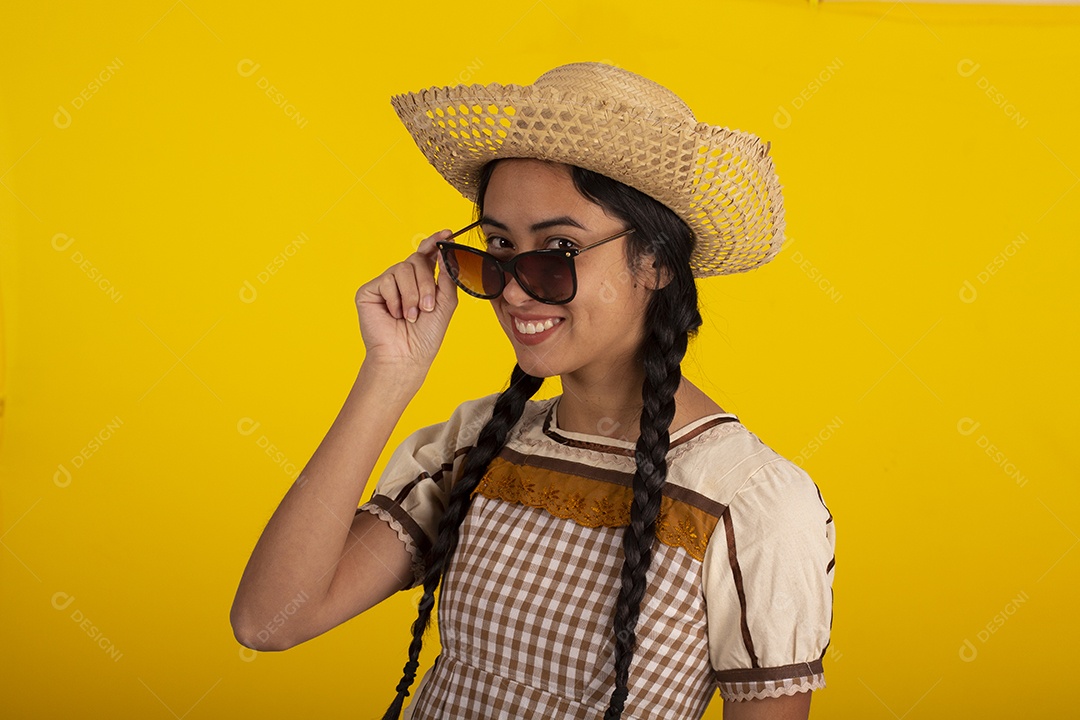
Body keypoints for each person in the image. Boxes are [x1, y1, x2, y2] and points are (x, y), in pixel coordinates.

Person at [231, 62, 836, 720]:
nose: (515, 289)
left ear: (657, 262)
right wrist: (391, 371)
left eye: (557, 248)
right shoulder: (476, 443)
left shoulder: (750, 502)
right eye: (495, 246)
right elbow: (268, 621)